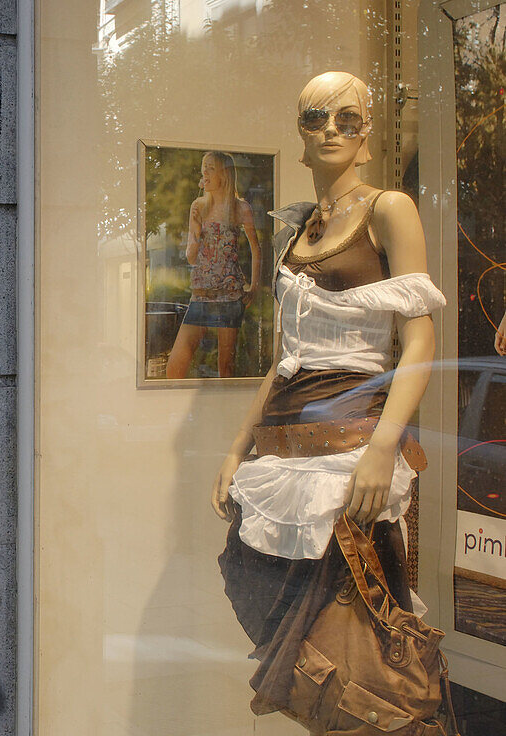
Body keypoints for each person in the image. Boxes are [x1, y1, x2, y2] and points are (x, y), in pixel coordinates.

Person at [211, 72, 446, 729]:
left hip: (349, 461)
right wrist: (236, 449)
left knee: (361, 658)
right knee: (306, 662)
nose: (334, 130)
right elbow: (282, 357)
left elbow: (420, 336)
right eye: (319, 118)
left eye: (349, 118)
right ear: (301, 133)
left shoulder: (388, 209)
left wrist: (380, 449)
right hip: (284, 460)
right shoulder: (298, 232)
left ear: (368, 132)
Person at [166, 151, 262, 378]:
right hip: (200, 295)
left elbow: (256, 249)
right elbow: (191, 257)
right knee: (174, 369)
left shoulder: (241, 208)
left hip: (230, 298)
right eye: (203, 168)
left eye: (210, 168)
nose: (204, 173)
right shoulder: (198, 206)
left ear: (224, 174)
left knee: (226, 367)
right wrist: (197, 230)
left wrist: (254, 288)